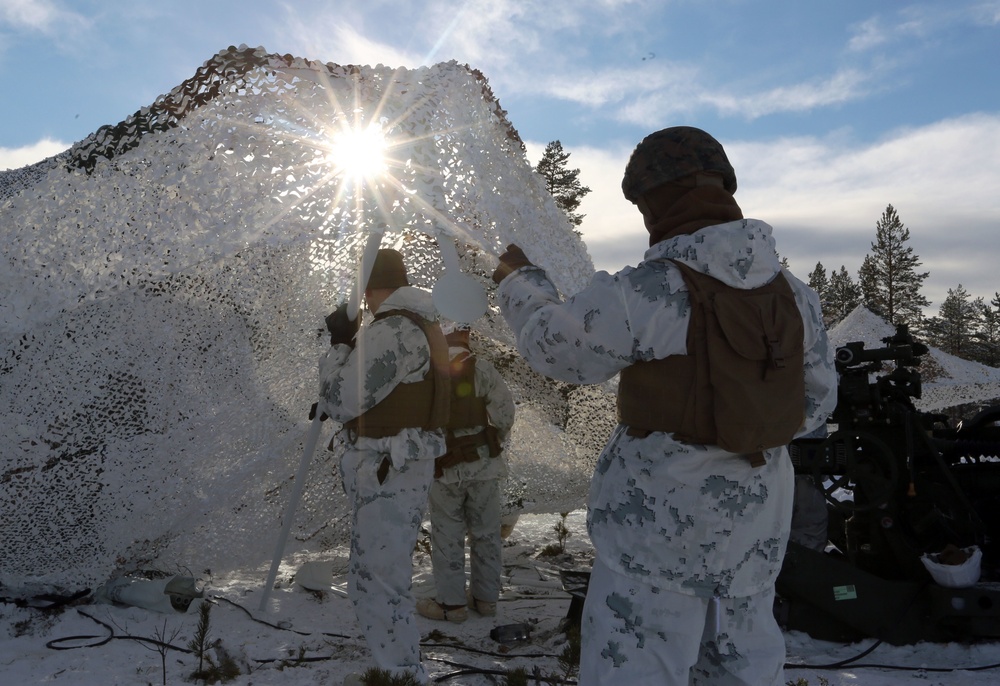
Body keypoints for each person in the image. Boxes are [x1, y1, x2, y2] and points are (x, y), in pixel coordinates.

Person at [491, 126, 837, 685]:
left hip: (654, 551)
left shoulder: (648, 291)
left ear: (653, 199)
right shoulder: (797, 296)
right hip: (754, 543)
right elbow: (816, 406)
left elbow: (555, 351)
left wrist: (521, 284)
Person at [316, 248, 450, 686]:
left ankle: (402, 674)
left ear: (370, 290)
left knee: (380, 579)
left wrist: (339, 346)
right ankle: (397, 666)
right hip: (397, 463)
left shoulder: (392, 330)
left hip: (388, 465)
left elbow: (340, 399)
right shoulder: (420, 325)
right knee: (378, 573)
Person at [416, 325, 516, 623]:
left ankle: (451, 605)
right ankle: (485, 600)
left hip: (443, 468)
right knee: (486, 534)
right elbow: (505, 415)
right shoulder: (482, 369)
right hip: (484, 467)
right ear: (465, 337)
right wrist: (489, 440)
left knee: (447, 535)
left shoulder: (425, 373)